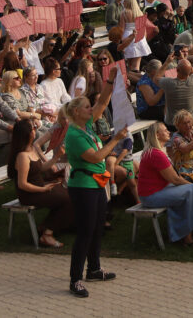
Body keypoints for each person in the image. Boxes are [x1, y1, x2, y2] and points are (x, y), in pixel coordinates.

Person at [63, 95, 127, 297]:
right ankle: (75, 279)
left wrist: (110, 80)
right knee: (85, 231)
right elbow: (96, 157)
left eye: (90, 107)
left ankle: (93, 269)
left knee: (98, 227)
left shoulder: (87, 126)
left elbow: (103, 103)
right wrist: (116, 139)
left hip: (96, 183)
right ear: (76, 112)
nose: (91, 110)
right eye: (87, 107)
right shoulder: (73, 134)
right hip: (83, 186)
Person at [138, 121, 193, 248]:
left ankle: (186, 235)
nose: (168, 132)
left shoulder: (155, 152)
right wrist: (191, 186)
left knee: (188, 193)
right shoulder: (155, 154)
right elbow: (175, 180)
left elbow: (174, 179)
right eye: (165, 130)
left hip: (158, 190)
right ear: (157, 135)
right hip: (151, 195)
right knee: (191, 190)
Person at [8, 118, 73, 248]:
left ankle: (46, 227)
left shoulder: (31, 149)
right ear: (27, 133)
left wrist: (55, 158)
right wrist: (43, 189)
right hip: (29, 193)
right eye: (33, 128)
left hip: (39, 187)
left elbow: (41, 168)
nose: (35, 129)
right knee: (68, 199)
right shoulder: (22, 156)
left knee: (72, 193)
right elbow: (22, 184)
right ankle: (47, 234)